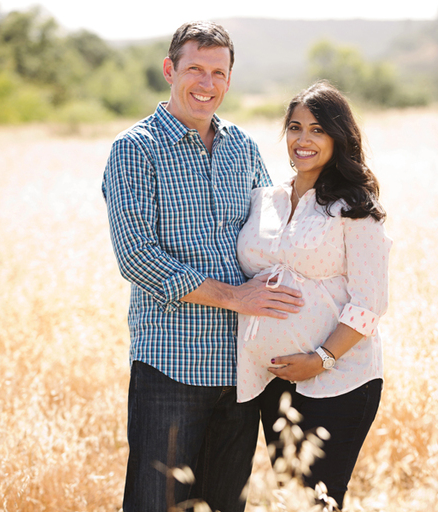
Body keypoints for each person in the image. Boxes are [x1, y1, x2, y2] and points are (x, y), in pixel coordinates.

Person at [101, 21, 304, 512]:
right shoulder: (135, 149)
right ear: (170, 70)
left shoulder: (242, 148)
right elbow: (136, 257)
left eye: (218, 72)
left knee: (223, 506)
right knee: (157, 504)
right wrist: (236, 296)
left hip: (241, 369)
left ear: (229, 80)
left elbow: (274, 234)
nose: (206, 83)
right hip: (171, 366)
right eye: (195, 69)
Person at [235, 80, 392, 510]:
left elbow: (370, 304)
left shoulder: (354, 208)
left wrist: (320, 359)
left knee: (320, 503)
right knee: (293, 500)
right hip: (272, 380)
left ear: (338, 138)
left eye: (318, 130)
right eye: (295, 127)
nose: (303, 139)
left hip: (338, 380)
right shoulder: (264, 199)